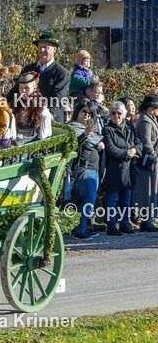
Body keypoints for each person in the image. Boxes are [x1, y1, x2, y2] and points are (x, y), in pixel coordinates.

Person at [8, 31, 71, 123]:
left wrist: (46, 116)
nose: (42, 50)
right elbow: (16, 90)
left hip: (49, 119)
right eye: (40, 47)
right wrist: (4, 105)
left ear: (54, 50)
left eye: (46, 47)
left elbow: (57, 99)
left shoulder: (62, 73)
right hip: (26, 119)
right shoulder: (28, 69)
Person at [101, 101, 141, 236]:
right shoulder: (107, 129)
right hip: (114, 169)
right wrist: (127, 153)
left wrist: (134, 149)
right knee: (112, 199)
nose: (116, 116)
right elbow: (111, 149)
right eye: (113, 113)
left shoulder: (129, 127)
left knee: (126, 199)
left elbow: (138, 143)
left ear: (124, 114)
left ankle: (125, 223)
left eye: (119, 113)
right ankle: (111, 225)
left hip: (128, 169)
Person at [69, 103, 104, 240]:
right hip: (84, 169)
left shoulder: (92, 132)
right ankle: (80, 230)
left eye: (90, 114)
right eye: (83, 112)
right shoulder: (72, 128)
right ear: (77, 112)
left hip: (93, 169)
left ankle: (81, 227)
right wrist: (85, 135)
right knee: (85, 201)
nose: (86, 115)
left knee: (88, 201)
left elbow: (98, 142)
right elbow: (75, 144)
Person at [133, 94, 158, 232]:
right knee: (146, 191)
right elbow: (147, 142)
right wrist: (154, 157)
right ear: (151, 108)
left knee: (151, 190)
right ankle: (145, 221)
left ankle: (148, 219)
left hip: (151, 161)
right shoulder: (145, 121)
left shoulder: (151, 118)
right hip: (147, 161)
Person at [13, 71, 53, 143]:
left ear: (34, 88)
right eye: (21, 88)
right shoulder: (16, 103)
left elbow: (44, 140)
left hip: (32, 146)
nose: (23, 91)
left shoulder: (41, 109)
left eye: (26, 88)